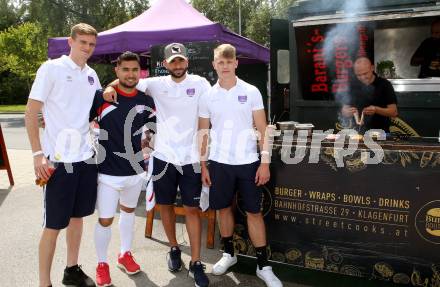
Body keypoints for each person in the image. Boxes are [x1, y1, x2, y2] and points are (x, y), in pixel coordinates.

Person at [103, 43, 210, 287]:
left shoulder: (201, 83)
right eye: (173, 61)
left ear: (187, 62)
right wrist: (109, 86)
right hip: (163, 157)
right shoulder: (154, 84)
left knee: (193, 211)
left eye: (181, 60)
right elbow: (125, 81)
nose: (178, 65)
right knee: (165, 206)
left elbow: (208, 119)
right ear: (165, 64)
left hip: (191, 158)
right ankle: (173, 248)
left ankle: (195, 261)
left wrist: (205, 161)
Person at [198, 44, 283, 287]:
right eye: (220, 62)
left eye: (229, 61)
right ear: (214, 65)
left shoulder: (252, 91)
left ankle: (263, 266)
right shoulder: (208, 96)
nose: (224, 66)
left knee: (254, 213)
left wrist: (264, 163)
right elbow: (203, 132)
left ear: (236, 63)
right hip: (219, 163)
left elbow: (263, 129)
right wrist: (204, 165)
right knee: (223, 209)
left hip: (248, 163)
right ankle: (228, 254)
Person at [25, 23, 101, 287]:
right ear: (70, 42)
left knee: (78, 217)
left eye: (91, 44)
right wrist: (37, 154)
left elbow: (93, 114)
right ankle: (44, 283)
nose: (87, 49)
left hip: (85, 158)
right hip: (57, 160)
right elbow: (30, 112)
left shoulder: (92, 75)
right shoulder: (51, 69)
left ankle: (72, 269)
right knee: (53, 225)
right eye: (83, 43)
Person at [90, 52, 156, 287]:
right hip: (107, 172)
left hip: (135, 171)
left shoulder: (146, 100)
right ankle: (101, 263)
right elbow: (79, 121)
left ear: (140, 72)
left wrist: (148, 141)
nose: (130, 74)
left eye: (134, 70)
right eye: (125, 69)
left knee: (128, 213)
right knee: (105, 220)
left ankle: (124, 254)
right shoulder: (101, 97)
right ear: (117, 70)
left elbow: (152, 129)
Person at [341, 57, 398, 133]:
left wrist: (376, 109)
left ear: (372, 68)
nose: (362, 77)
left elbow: (394, 112)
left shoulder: (384, 84)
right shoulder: (352, 85)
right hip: (356, 132)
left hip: (380, 133)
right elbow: (344, 110)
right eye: (358, 75)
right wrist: (346, 112)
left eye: (365, 73)